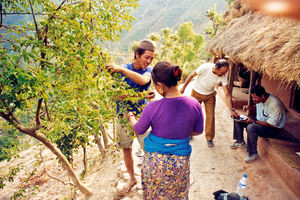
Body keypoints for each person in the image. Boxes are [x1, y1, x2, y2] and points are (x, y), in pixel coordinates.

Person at [126, 61, 204, 199]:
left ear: (160, 86)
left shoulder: (152, 107)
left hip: (155, 163)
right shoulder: (194, 104)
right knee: (177, 195)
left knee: (154, 195)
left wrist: (131, 117)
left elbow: (139, 129)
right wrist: (181, 130)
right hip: (180, 163)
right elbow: (198, 130)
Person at [106, 39, 156, 193]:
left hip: (142, 115)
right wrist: (142, 95)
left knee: (149, 148)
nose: (148, 61)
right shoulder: (121, 71)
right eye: (146, 57)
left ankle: (149, 180)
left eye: (151, 58)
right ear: (137, 54)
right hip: (123, 115)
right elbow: (117, 96)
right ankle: (132, 179)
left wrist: (121, 70)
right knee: (126, 148)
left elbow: (143, 80)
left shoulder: (145, 70)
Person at [180, 59, 238, 147]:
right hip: (196, 93)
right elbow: (191, 75)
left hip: (210, 95)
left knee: (210, 116)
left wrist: (231, 109)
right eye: (222, 72)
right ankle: (188, 133)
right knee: (191, 114)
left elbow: (227, 94)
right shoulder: (205, 67)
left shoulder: (223, 76)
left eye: (225, 72)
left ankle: (209, 138)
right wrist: (183, 88)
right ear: (216, 68)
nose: (223, 74)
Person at [230, 85, 286, 163]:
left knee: (251, 127)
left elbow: (272, 124)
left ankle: (253, 153)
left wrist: (253, 121)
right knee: (238, 118)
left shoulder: (275, 104)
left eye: (255, 98)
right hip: (262, 122)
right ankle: (240, 141)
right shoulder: (261, 99)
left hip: (273, 129)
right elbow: (260, 108)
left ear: (262, 96)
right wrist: (249, 107)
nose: (253, 99)